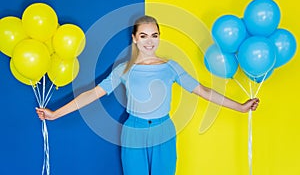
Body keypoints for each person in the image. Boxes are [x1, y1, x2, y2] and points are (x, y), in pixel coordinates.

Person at [36, 15, 259, 175]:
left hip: (164, 130)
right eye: (144, 36)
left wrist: (240, 107)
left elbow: (204, 91)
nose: (150, 41)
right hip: (134, 130)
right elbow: (93, 94)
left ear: (159, 37)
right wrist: (55, 114)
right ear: (135, 38)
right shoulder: (123, 69)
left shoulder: (171, 67)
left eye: (154, 35)